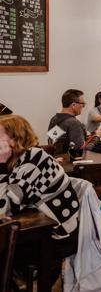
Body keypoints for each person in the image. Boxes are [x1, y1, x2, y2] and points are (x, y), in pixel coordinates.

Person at [0, 114, 80, 268]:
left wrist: (1, 164)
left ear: (15, 139)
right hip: (39, 227)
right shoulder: (21, 158)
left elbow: (4, 207)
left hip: (56, 237)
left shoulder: (34, 159)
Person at [48, 89, 87, 154]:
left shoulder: (54, 119)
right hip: (70, 162)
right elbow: (80, 151)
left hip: (56, 160)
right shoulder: (74, 123)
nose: (83, 106)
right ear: (73, 105)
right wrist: (95, 137)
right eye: (83, 104)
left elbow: (55, 141)